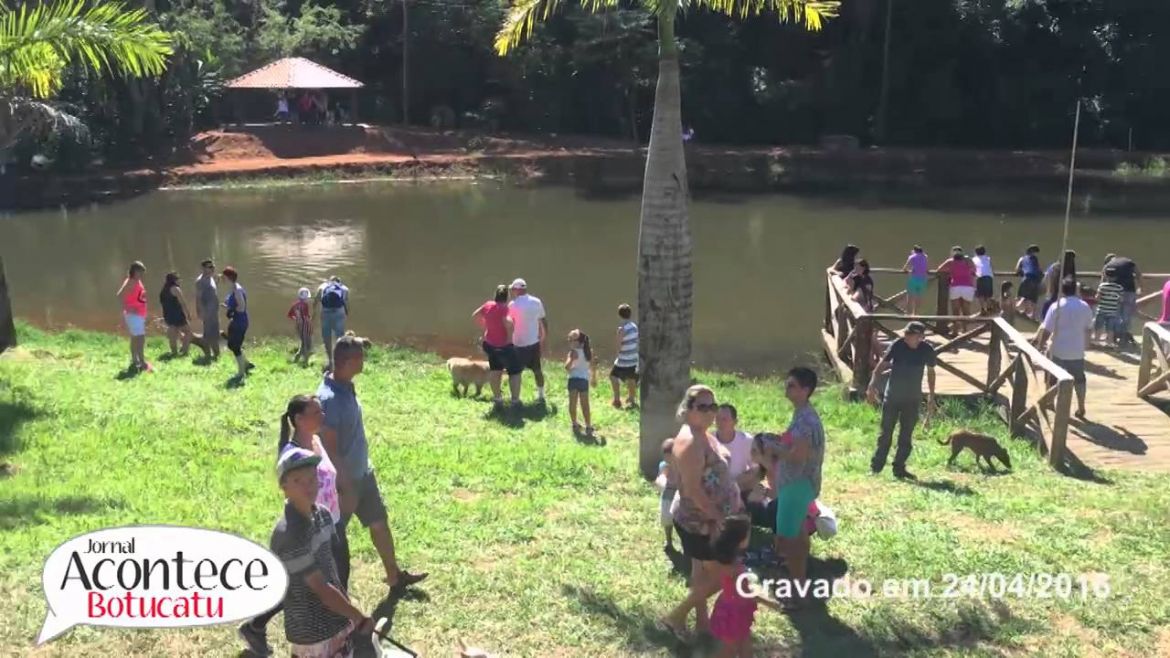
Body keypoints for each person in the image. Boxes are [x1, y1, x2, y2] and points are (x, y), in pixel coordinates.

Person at [317, 335, 427, 593]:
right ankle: (321, 590)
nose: (364, 361)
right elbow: (329, 448)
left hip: (362, 474)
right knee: (331, 537)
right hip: (345, 483)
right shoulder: (330, 399)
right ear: (348, 361)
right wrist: (345, 484)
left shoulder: (346, 386)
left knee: (379, 522)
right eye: (360, 357)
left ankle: (394, 577)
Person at [239, 395, 345, 657]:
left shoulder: (316, 442)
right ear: (298, 419)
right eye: (316, 412)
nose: (322, 416)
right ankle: (258, 625)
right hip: (309, 531)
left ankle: (337, 627)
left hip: (327, 521)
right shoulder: (293, 454)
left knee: (323, 581)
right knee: (305, 587)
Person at [265, 446, 373, 658]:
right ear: (284, 486)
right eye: (298, 481)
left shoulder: (323, 516)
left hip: (337, 620)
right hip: (312, 633)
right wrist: (357, 616)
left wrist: (347, 612)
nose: (308, 487)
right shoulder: (289, 535)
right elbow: (321, 589)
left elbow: (331, 570)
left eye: (312, 479)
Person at [660, 385, 743, 638]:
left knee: (701, 572)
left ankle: (702, 623)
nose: (710, 412)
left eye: (713, 406)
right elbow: (693, 491)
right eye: (703, 407)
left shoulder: (702, 433)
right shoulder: (691, 443)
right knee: (727, 575)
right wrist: (720, 519)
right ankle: (676, 616)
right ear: (687, 410)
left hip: (705, 520)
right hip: (701, 521)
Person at [769, 367, 825, 608]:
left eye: (792, 385)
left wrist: (773, 449)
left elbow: (798, 457)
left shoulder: (804, 420)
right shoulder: (802, 414)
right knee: (799, 536)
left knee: (791, 542)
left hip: (796, 486)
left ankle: (795, 592)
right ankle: (799, 585)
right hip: (801, 486)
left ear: (805, 390)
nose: (787, 388)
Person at [867, 321, 936, 479]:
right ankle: (876, 467)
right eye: (906, 334)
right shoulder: (897, 345)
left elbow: (931, 373)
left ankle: (899, 468)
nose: (905, 337)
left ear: (920, 337)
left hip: (912, 398)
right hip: (892, 396)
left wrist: (931, 397)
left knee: (906, 435)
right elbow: (881, 366)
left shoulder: (927, 350)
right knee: (885, 433)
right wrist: (872, 385)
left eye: (909, 335)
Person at [1036, 278, 1094, 419]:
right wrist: (1087, 344)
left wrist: (1040, 345)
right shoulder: (1085, 306)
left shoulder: (1056, 306)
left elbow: (1047, 329)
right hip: (1076, 350)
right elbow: (1088, 329)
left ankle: (1050, 402)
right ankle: (1081, 406)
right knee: (1079, 379)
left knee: (1052, 379)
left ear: (1062, 290)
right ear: (1076, 290)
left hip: (1058, 349)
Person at [472, 284, 521, 407]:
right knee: (514, 372)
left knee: (495, 371)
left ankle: (498, 399)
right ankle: (515, 401)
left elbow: (475, 315)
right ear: (507, 297)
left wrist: (485, 326)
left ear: (495, 295)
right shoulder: (504, 309)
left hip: (490, 344)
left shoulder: (488, 305)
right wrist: (509, 340)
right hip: (503, 346)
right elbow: (507, 323)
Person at [508, 278, 547, 404]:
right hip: (533, 342)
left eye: (513, 289)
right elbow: (543, 321)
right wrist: (543, 338)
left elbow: (509, 323)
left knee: (515, 372)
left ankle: (515, 399)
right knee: (537, 370)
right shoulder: (537, 302)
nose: (512, 291)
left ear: (517, 289)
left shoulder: (512, 305)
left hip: (518, 343)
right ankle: (541, 396)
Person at [159, 272, 208, 359]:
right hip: (177, 315)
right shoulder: (176, 289)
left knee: (173, 335)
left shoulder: (163, 291)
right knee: (188, 332)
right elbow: (183, 302)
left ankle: (174, 352)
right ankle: (184, 351)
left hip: (168, 315)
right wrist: (188, 313)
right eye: (178, 279)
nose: (179, 281)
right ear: (174, 280)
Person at [116, 261, 150, 372]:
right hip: (133, 315)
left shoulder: (137, 281)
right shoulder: (131, 282)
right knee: (139, 338)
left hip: (139, 314)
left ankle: (136, 360)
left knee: (137, 338)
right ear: (135, 271)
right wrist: (127, 307)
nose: (142, 274)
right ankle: (140, 361)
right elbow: (120, 295)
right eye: (140, 271)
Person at [222, 266, 254, 382]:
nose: (222, 279)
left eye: (223, 276)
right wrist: (228, 307)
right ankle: (246, 364)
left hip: (240, 321)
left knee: (235, 347)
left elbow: (242, 307)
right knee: (233, 345)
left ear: (228, 277)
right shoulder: (233, 288)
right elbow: (236, 304)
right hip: (236, 320)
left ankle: (241, 373)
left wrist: (231, 310)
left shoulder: (237, 289)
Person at [1103, 254, 1142, 346]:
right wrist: (1140, 287)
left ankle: (1114, 337)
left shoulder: (1107, 266)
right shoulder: (1128, 261)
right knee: (1126, 316)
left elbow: (1103, 281)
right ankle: (1123, 338)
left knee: (1115, 314)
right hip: (1129, 291)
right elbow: (1138, 274)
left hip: (1115, 292)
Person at [937, 247, 975, 334]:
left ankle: (955, 331)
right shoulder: (968, 260)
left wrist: (950, 270)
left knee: (955, 311)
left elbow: (939, 269)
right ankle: (965, 331)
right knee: (966, 310)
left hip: (955, 287)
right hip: (967, 287)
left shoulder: (950, 261)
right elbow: (974, 269)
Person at [315, 276, 349, 372]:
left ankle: (330, 361)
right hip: (339, 312)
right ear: (339, 282)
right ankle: (340, 361)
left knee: (326, 336)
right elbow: (345, 303)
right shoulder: (345, 288)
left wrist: (314, 314)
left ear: (329, 281)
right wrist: (346, 314)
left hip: (326, 312)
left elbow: (317, 301)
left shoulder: (323, 286)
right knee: (340, 337)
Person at [609, 303, 640, 409]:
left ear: (619, 315)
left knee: (613, 376)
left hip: (624, 359)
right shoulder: (634, 326)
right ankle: (632, 400)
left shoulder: (622, 329)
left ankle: (617, 400)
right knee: (631, 378)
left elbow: (618, 345)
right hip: (634, 358)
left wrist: (616, 356)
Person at [564, 329, 594, 435]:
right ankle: (589, 426)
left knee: (572, 403)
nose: (569, 342)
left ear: (579, 341)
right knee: (585, 404)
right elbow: (592, 366)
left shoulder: (572, 352)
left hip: (573, 380)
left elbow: (567, 367)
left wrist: (571, 359)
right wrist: (594, 378)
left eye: (571, 340)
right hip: (584, 381)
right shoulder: (589, 351)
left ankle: (574, 423)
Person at [715, 404, 753, 478]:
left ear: (735, 422)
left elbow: (755, 468)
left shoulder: (746, 440)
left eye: (724, 419)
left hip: (740, 485)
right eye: (717, 419)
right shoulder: (709, 440)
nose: (720, 423)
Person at [655, 438, 679, 551]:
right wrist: (662, 480)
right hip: (667, 497)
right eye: (666, 456)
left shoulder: (682, 465)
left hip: (679, 497)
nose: (668, 459)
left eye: (670, 455)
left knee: (680, 521)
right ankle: (669, 540)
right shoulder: (664, 465)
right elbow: (661, 477)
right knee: (667, 520)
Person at [195, 259, 221, 360]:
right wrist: (200, 312)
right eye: (210, 267)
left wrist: (217, 282)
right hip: (207, 312)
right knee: (209, 334)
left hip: (214, 311)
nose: (212, 269)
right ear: (203, 268)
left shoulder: (210, 278)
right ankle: (210, 355)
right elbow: (198, 297)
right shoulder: (200, 281)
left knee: (214, 333)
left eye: (213, 267)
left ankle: (215, 354)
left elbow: (211, 291)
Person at [1041, 250, 1078, 320]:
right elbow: (1048, 279)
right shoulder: (1056, 267)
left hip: (1064, 297)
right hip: (1057, 295)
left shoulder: (1069, 270)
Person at [1093, 272, 1123, 347]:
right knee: (1110, 328)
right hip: (1112, 311)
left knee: (1098, 326)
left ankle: (1096, 340)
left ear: (1106, 276)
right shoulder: (1119, 287)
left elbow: (1097, 298)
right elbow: (1121, 299)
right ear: (1116, 277)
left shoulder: (1102, 286)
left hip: (1102, 309)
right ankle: (1109, 342)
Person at [1015, 245, 1043, 320]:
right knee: (1033, 297)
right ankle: (1032, 315)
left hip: (1026, 278)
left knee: (1022, 295)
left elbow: (1017, 269)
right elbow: (1040, 270)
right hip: (1035, 279)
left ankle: (1017, 307)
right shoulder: (1035, 259)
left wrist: (1021, 272)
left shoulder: (1022, 258)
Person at [902, 245, 930, 316]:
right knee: (919, 296)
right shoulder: (925, 256)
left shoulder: (912, 256)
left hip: (914, 277)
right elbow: (927, 269)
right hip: (923, 278)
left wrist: (908, 270)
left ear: (914, 251)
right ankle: (916, 313)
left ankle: (908, 312)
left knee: (910, 295)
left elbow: (904, 268)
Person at [289, 287, 313, 366]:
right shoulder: (305, 305)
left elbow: (290, 315)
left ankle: (296, 360)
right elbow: (306, 316)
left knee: (303, 343)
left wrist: (297, 319)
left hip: (299, 326)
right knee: (307, 344)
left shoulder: (294, 305)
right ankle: (305, 362)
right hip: (305, 325)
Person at [973, 245, 995, 315]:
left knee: (980, 294)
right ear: (984, 252)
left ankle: (982, 309)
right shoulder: (988, 258)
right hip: (988, 277)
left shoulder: (974, 259)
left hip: (979, 277)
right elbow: (992, 267)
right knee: (988, 295)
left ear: (976, 252)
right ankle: (988, 308)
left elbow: (973, 268)